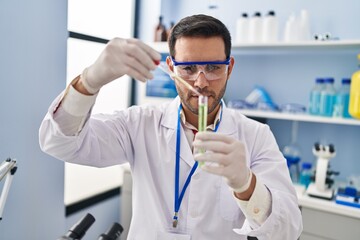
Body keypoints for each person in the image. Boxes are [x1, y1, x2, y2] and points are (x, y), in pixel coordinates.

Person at [39, 14, 302, 239]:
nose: (200, 82)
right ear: (171, 67)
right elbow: (59, 142)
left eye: (213, 67)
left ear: (229, 68)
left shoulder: (255, 136)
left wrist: (247, 185)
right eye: (188, 68)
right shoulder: (139, 124)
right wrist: (89, 80)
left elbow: (289, 230)